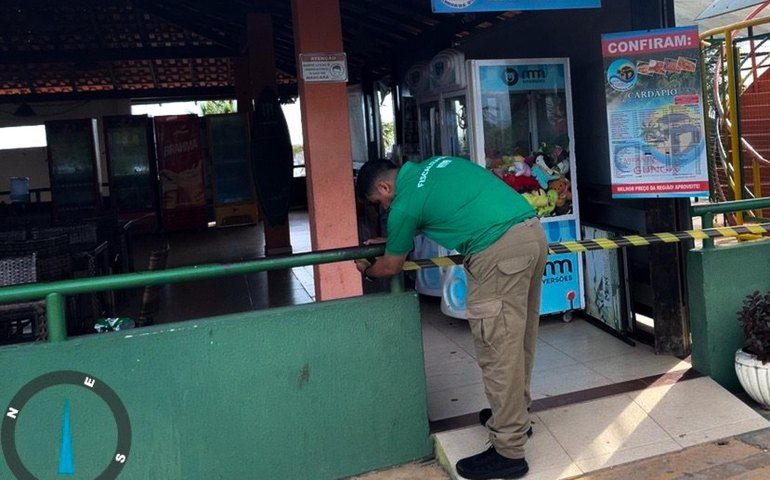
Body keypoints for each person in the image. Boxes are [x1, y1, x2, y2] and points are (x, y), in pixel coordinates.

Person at [354, 156, 547, 480]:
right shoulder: (437, 166)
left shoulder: (404, 204)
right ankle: (514, 417)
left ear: (385, 187)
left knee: (497, 349)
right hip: (531, 236)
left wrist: (368, 270)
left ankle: (509, 451)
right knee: (518, 339)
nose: (384, 208)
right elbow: (437, 213)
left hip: (496, 253)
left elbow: (391, 267)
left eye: (379, 201)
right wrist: (391, 241)